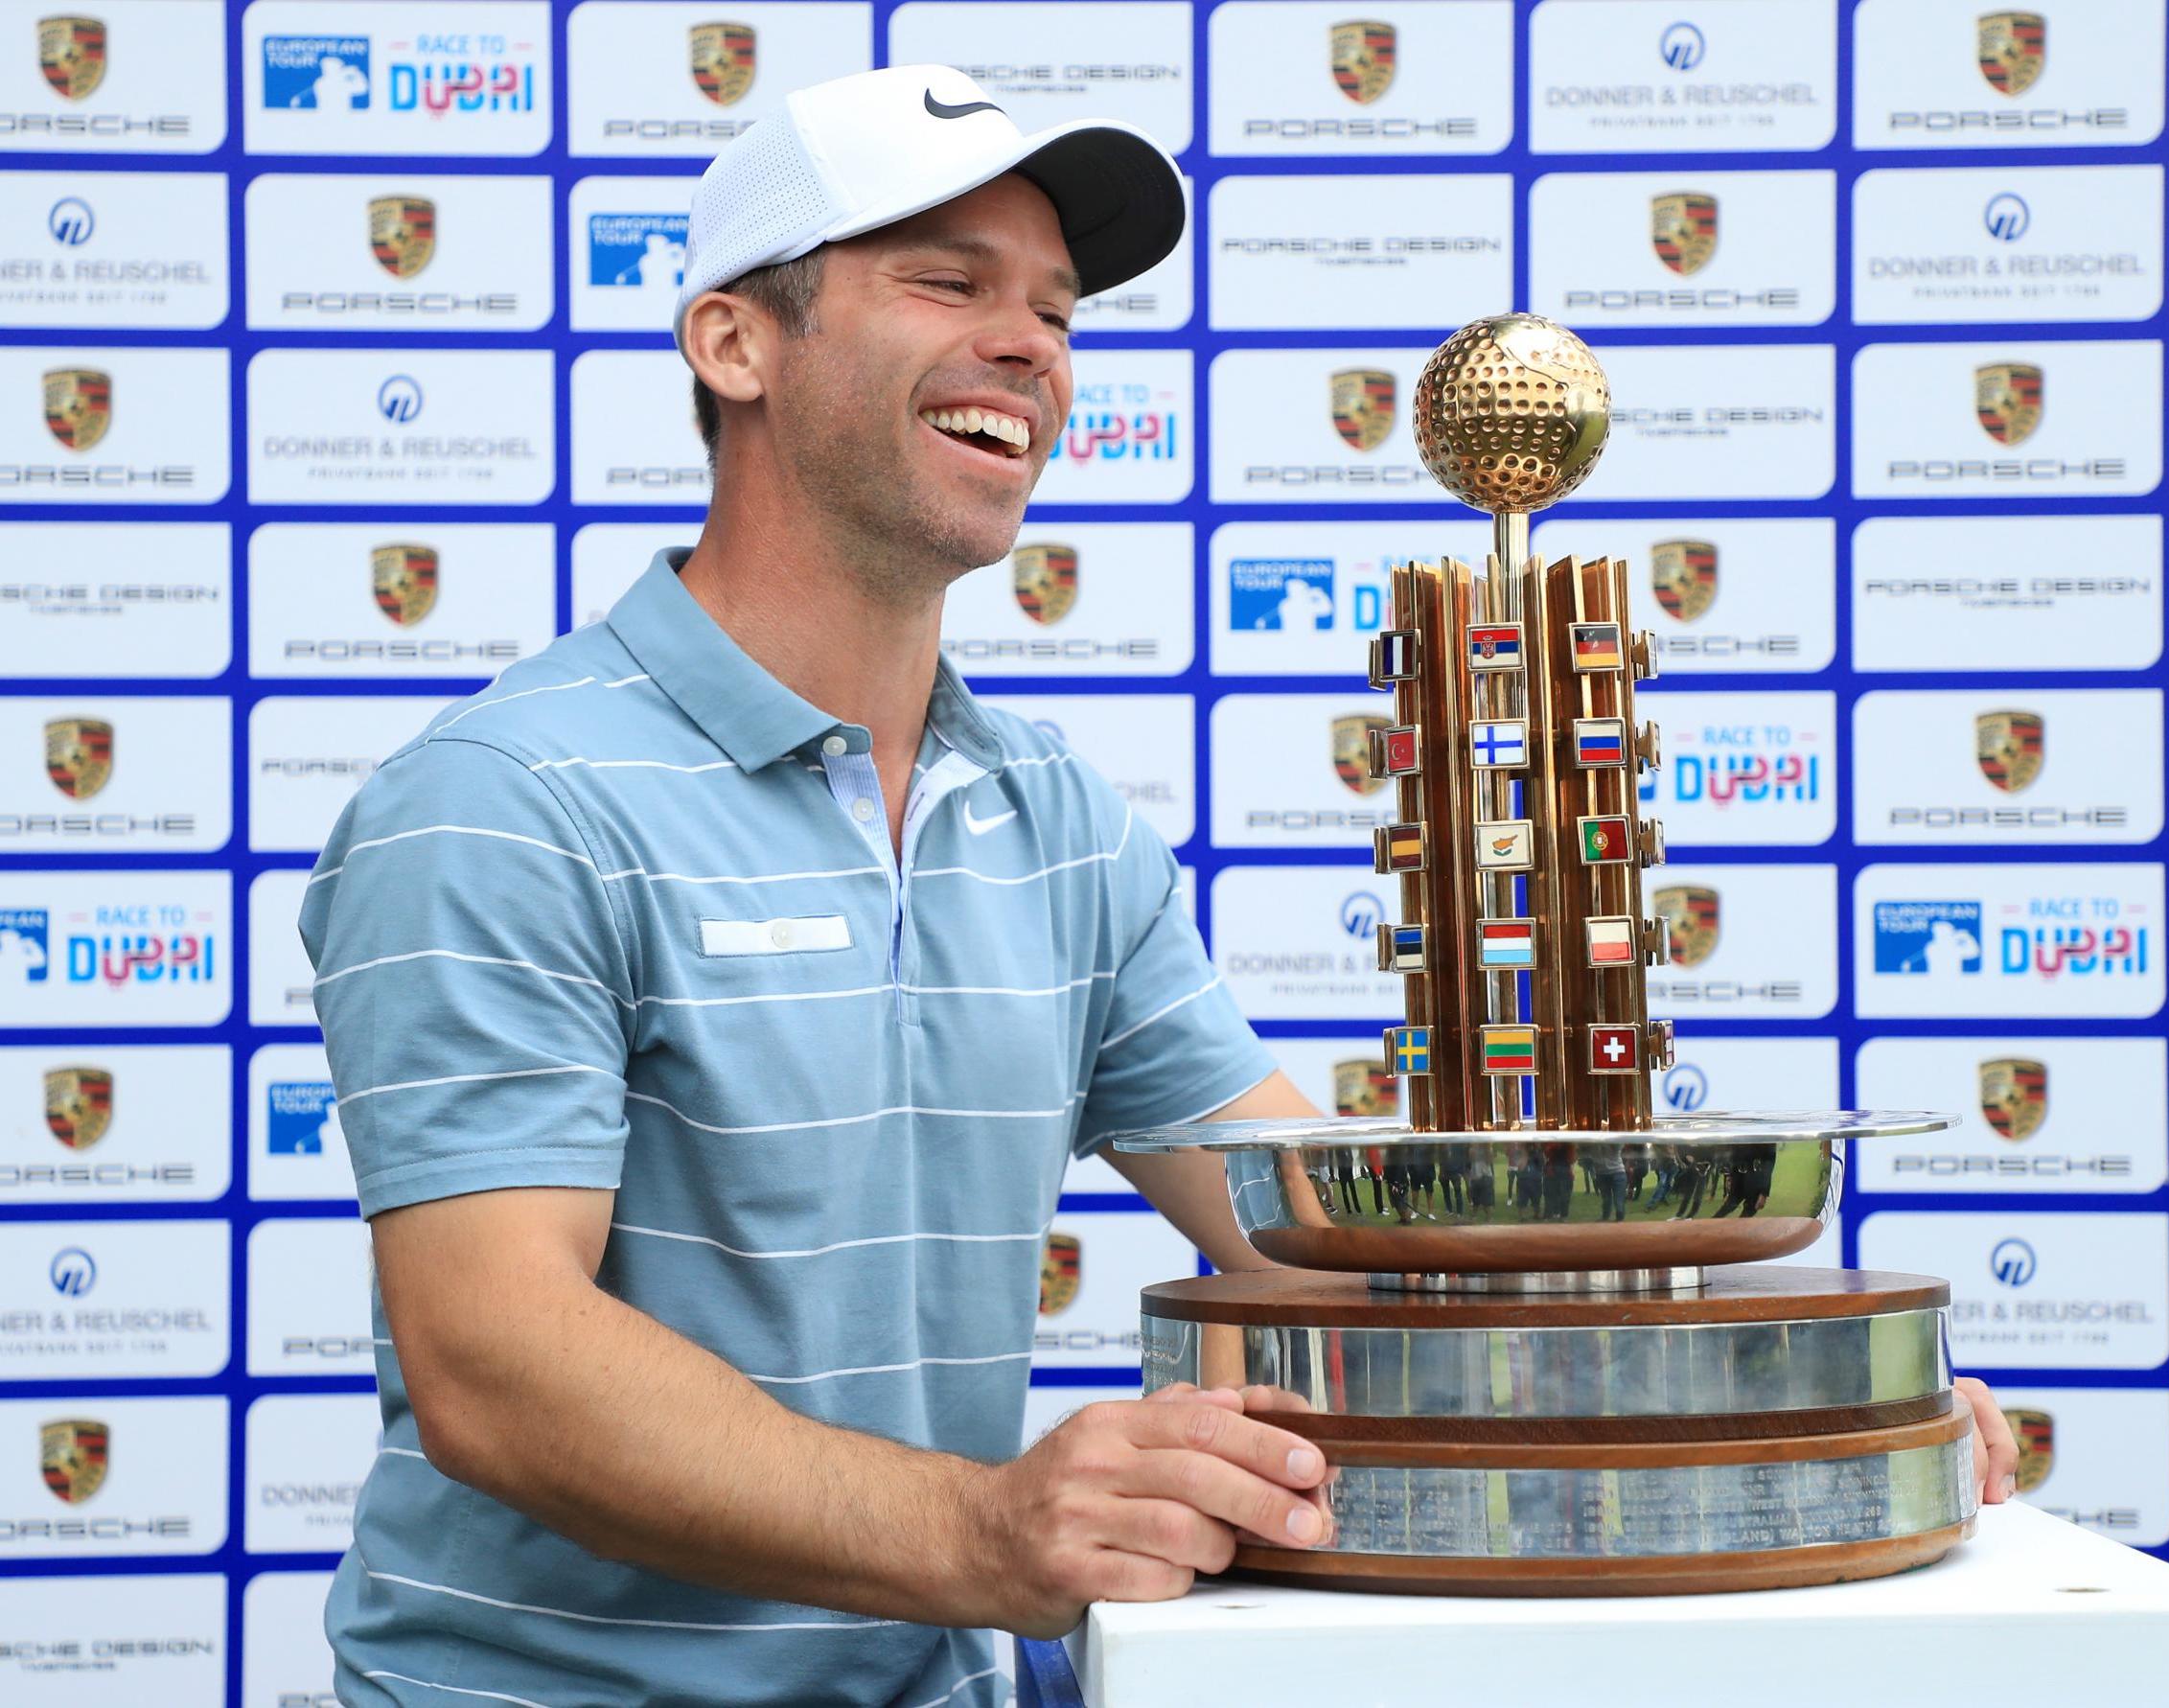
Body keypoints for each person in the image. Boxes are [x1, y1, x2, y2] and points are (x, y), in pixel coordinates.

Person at [297, 63, 2019, 1708]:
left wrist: (1783, 1404)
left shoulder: (1051, 819)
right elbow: (496, 1363)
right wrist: (980, 1526)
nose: (1022, 349)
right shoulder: (502, 802)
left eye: (1053, 308)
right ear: (734, 340)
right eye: (943, 279)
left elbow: (1319, 1253)